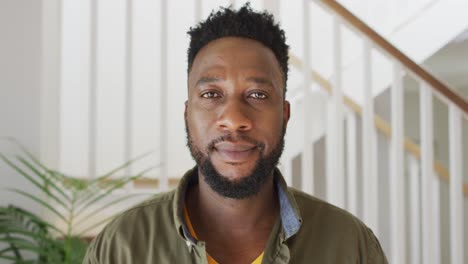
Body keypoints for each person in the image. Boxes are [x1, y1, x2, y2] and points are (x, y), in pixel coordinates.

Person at [83, 4, 388, 264]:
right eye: (212, 94)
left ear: (284, 114)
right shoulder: (121, 248)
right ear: (187, 113)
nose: (233, 119)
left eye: (257, 95)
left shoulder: (351, 246)